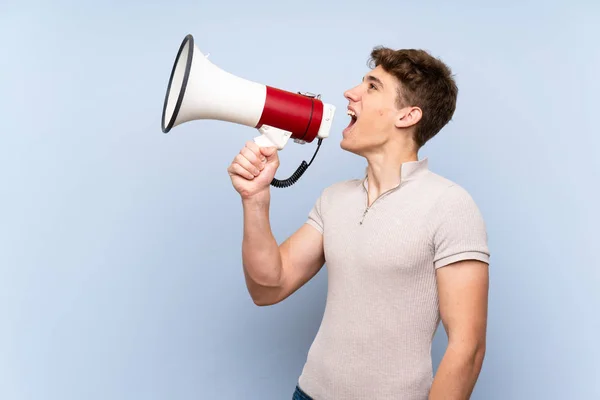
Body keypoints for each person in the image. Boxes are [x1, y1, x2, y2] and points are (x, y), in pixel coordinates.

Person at [227, 46, 490, 400]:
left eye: (372, 87)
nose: (351, 93)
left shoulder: (450, 205)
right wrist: (255, 200)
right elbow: (267, 288)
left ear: (407, 116)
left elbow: (467, 349)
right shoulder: (334, 198)